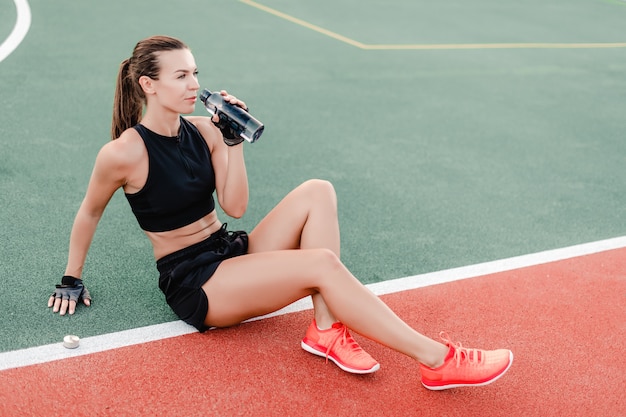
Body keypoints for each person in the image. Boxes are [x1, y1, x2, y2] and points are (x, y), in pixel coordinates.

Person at [47, 35, 513, 390]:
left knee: (318, 191)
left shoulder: (204, 133)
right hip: (195, 282)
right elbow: (89, 213)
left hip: (227, 250)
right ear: (148, 84)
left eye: (195, 73)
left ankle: (326, 331)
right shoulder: (123, 153)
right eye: (181, 76)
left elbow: (235, 205)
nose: (195, 84)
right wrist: (72, 277)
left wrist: (232, 142)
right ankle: (436, 360)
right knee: (321, 265)